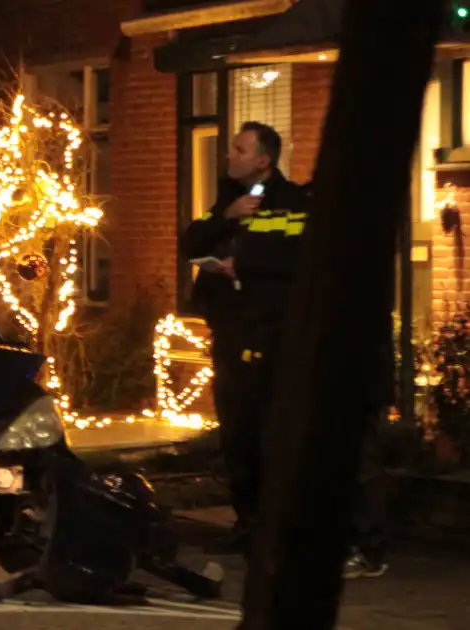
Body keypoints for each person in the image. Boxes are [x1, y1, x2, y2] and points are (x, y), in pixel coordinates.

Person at [181, 121, 309, 555]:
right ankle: (246, 520)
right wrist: (224, 217)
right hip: (230, 327)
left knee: (266, 427)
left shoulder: (290, 203)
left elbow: (294, 256)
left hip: (268, 331)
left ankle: (273, 525)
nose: (229, 156)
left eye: (239, 149)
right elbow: (190, 241)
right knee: (235, 429)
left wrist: (248, 266)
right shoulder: (226, 200)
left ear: (263, 159)